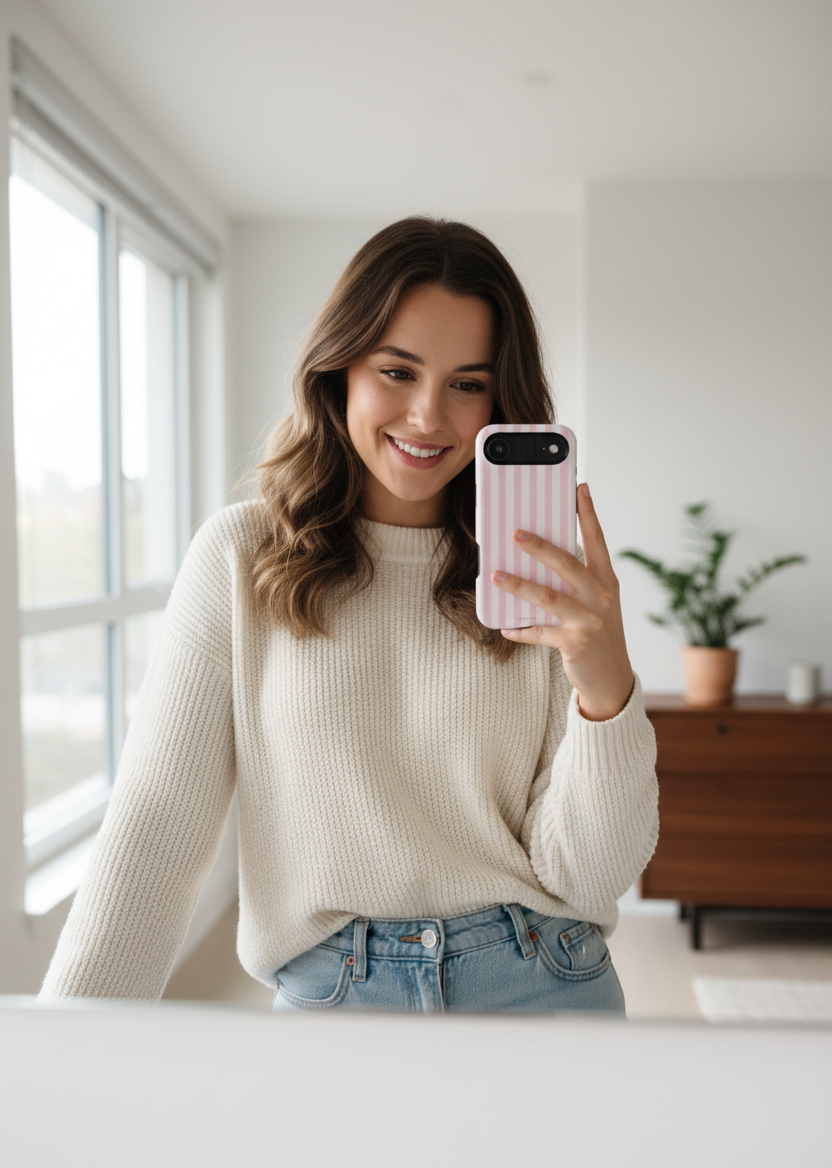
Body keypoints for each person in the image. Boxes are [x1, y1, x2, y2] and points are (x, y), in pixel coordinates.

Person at [39, 217, 658, 1014]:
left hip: (541, 980)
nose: (428, 416)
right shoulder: (240, 556)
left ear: (501, 400)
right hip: (333, 998)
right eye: (398, 371)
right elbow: (156, 826)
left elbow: (589, 877)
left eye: (467, 384)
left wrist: (606, 691)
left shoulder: (537, 577)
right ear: (339, 369)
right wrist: (61, 1052)